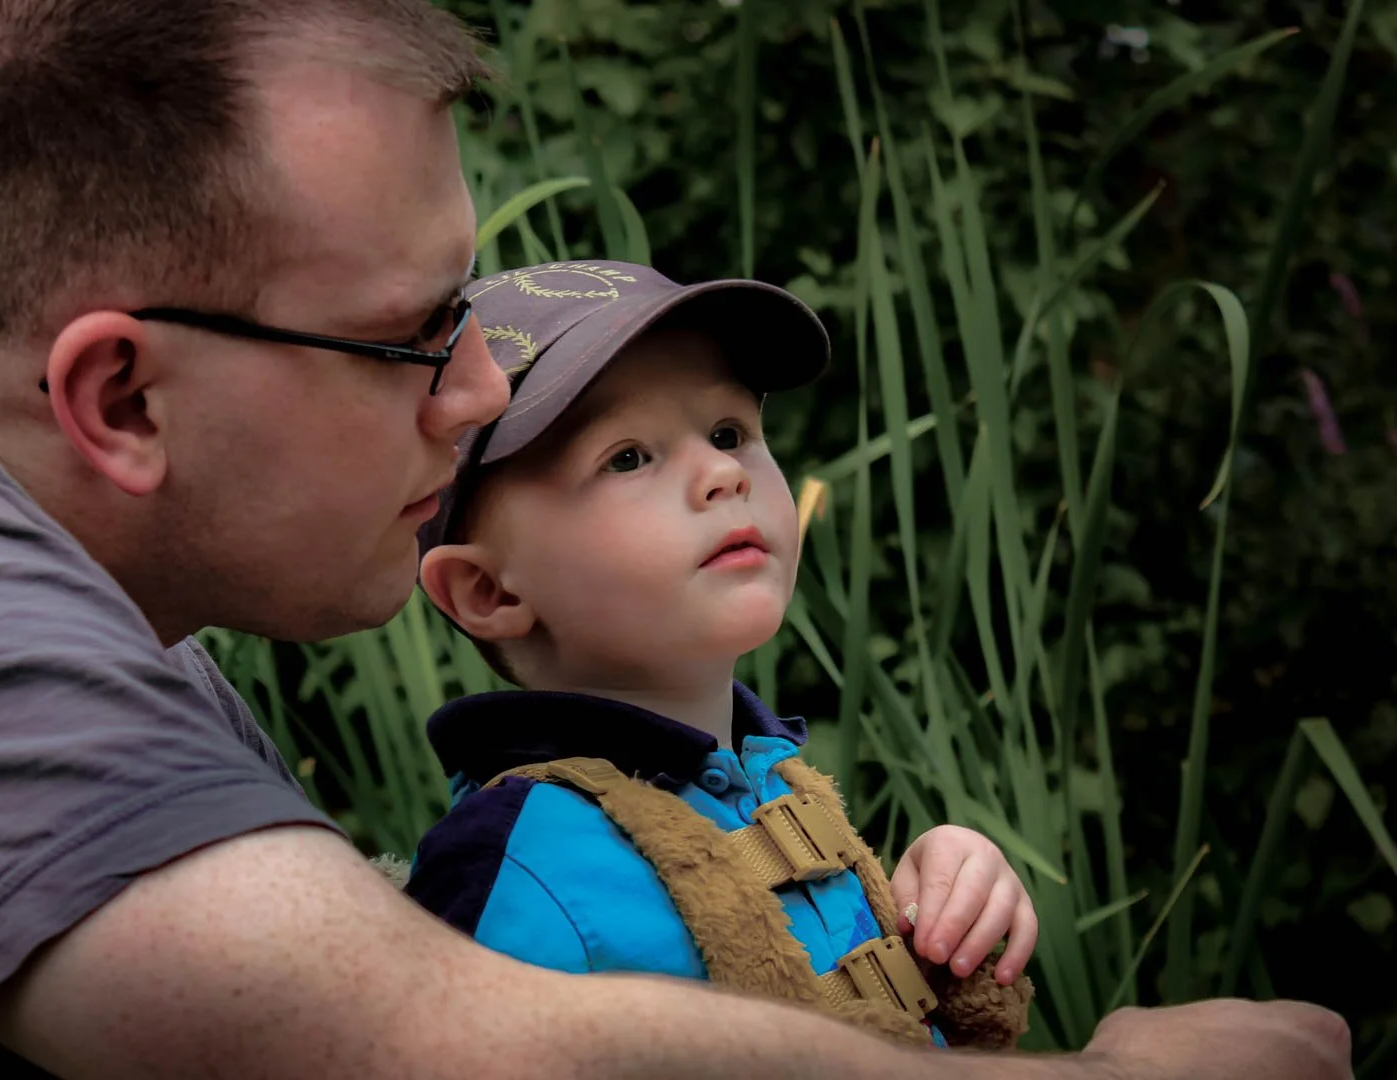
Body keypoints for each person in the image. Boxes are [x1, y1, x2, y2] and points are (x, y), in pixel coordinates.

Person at [0, 1, 1354, 1077]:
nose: (479, 390)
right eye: (416, 332)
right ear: (119, 396)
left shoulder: (97, 625)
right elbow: (426, 1046)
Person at [406, 260, 1035, 1051]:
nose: (723, 473)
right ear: (489, 591)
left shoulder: (776, 786)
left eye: (730, 432)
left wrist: (939, 904)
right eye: (628, 456)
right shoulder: (508, 868)